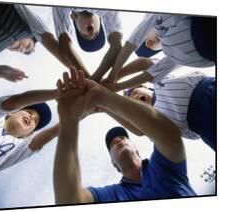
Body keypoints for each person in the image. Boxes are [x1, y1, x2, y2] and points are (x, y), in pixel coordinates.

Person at [53, 67, 196, 204]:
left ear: (137, 150)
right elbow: (70, 202)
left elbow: (170, 137)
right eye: (112, 145)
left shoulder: (162, 167)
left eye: (123, 138)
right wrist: (68, 122)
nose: (118, 141)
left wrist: (102, 96)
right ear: (114, 165)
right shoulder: (111, 195)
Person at [104, 13, 216, 85]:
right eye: (150, 49)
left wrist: (111, 76)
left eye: (144, 41)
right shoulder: (173, 55)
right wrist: (117, 87)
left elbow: (132, 42)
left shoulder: (158, 20)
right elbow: (153, 73)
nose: (149, 44)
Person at [122, 70, 216, 151]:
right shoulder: (154, 121)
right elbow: (142, 131)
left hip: (211, 89)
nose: (135, 98)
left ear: (144, 87)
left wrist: (118, 85)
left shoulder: (159, 80)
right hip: (206, 126)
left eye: (134, 92)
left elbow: (145, 64)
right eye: (133, 103)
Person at [0, 88, 60, 182]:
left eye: (35, 121)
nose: (32, 117)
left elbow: (45, 137)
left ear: (27, 135)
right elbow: (14, 102)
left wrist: (71, 118)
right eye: (29, 112)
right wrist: (58, 93)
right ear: (11, 113)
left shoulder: (15, 150)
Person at [0, 2, 68, 67]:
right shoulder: (26, 28)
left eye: (23, 52)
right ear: (32, 36)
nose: (21, 49)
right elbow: (45, 36)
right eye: (28, 46)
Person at [53, 7, 122, 78]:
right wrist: (95, 80)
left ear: (73, 17)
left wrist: (90, 81)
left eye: (85, 35)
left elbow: (64, 45)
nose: (91, 34)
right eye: (96, 33)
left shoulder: (64, 6)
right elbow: (116, 45)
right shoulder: (106, 8)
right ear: (99, 19)